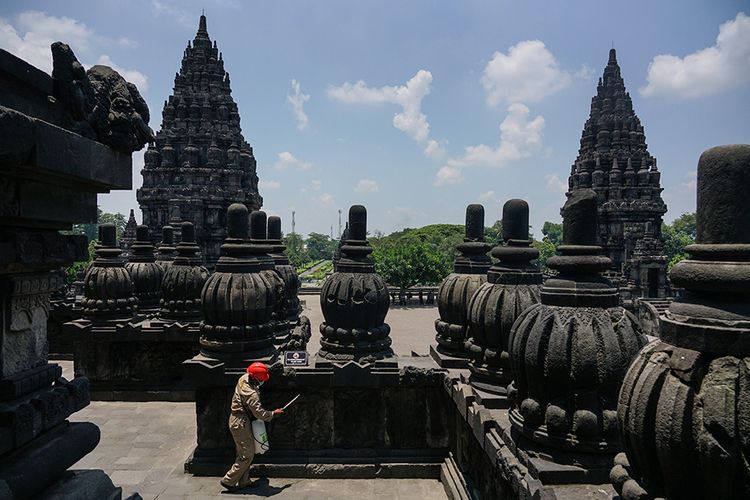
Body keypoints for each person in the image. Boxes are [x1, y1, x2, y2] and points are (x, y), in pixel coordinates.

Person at [220, 362, 284, 491]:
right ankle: (229, 480)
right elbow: (259, 413)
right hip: (241, 422)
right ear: (255, 378)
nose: (262, 382)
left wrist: (267, 368)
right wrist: (273, 414)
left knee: (242, 453)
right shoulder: (252, 395)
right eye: (261, 380)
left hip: (238, 419)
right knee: (247, 455)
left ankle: (244, 481)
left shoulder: (244, 378)